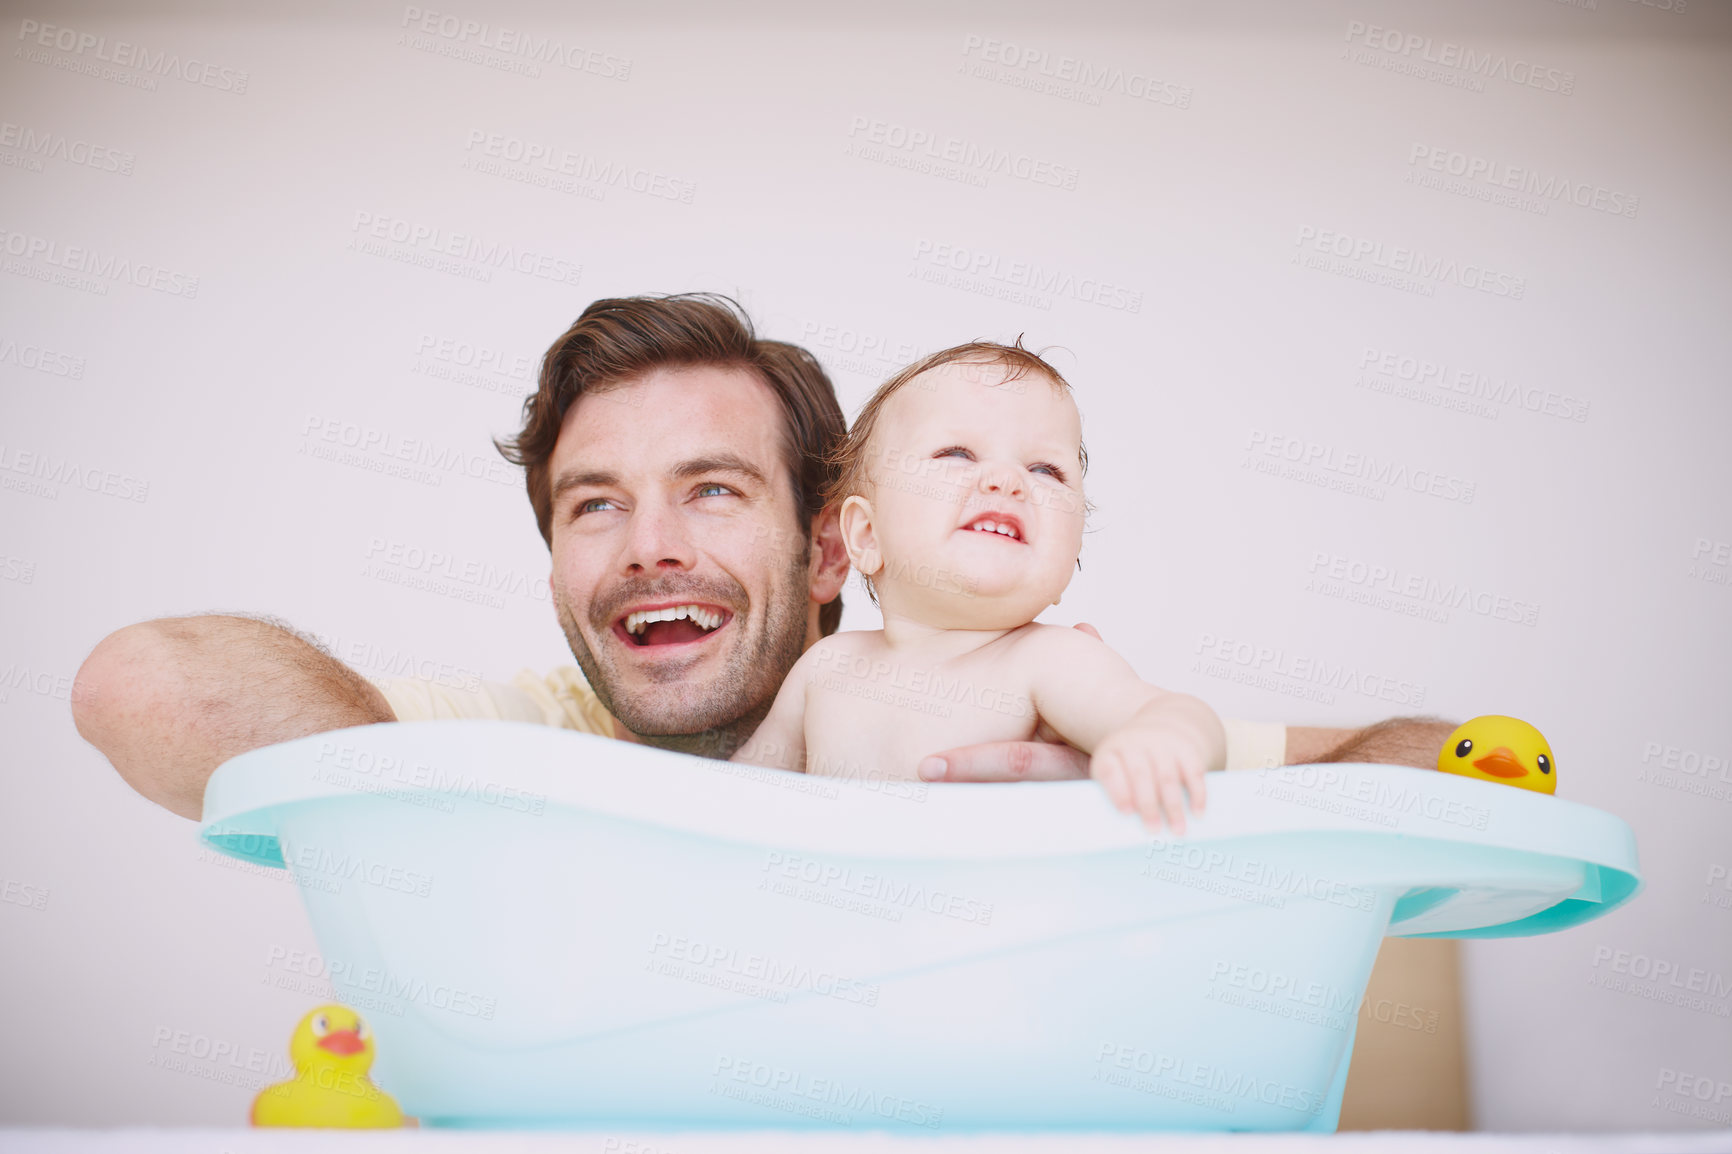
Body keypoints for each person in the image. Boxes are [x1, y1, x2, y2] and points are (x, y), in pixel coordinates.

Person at [71, 294, 1457, 822]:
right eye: (593, 505)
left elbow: (1437, 758)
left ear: (829, 547)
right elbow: (142, 684)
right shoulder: (527, 739)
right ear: (555, 560)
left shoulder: (1022, 687)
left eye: (713, 489)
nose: (650, 548)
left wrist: (1114, 784)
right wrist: (435, 802)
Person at [734, 341, 1225, 834]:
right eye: (957, 454)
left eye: (1045, 470)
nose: (1007, 480)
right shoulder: (825, 669)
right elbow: (730, 800)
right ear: (865, 535)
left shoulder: (1050, 659)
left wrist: (1161, 740)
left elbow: (1168, 712)